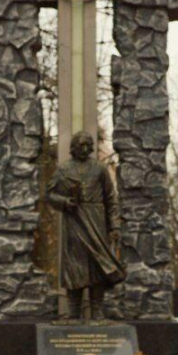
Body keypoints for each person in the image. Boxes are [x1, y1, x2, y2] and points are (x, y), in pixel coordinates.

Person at [46, 130, 125, 319]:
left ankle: (97, 310)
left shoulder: (99, 169)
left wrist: (114, 226)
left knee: (98, 264)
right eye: (80, 145)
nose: (84, 149)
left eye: (88, 145)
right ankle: (74, 311)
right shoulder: (64, 169)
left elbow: (111, 199)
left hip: (97, 222)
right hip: (74, 223)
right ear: (73, 147)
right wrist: (65, 203)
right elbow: (49, 195)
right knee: (75, 266)